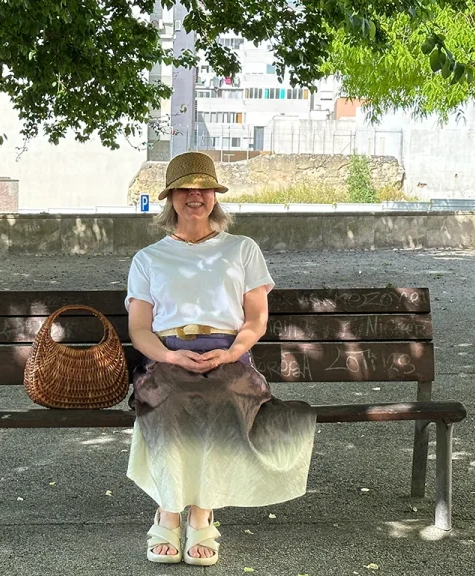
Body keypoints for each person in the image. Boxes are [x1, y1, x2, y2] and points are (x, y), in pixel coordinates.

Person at [124, 152, 317, 567]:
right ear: (171, 197)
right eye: (185, 189)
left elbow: (256, 318)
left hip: (229, 354)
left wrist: (232, 352)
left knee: (222, 394)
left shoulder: (242, 249)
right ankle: (168, 511)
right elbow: (139, 329)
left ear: (214, 195)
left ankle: (202, 513)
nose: (195, 196)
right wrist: (169, 356)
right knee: (171, 395)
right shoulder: (148, 258)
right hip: (166, 354)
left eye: (203, 188)